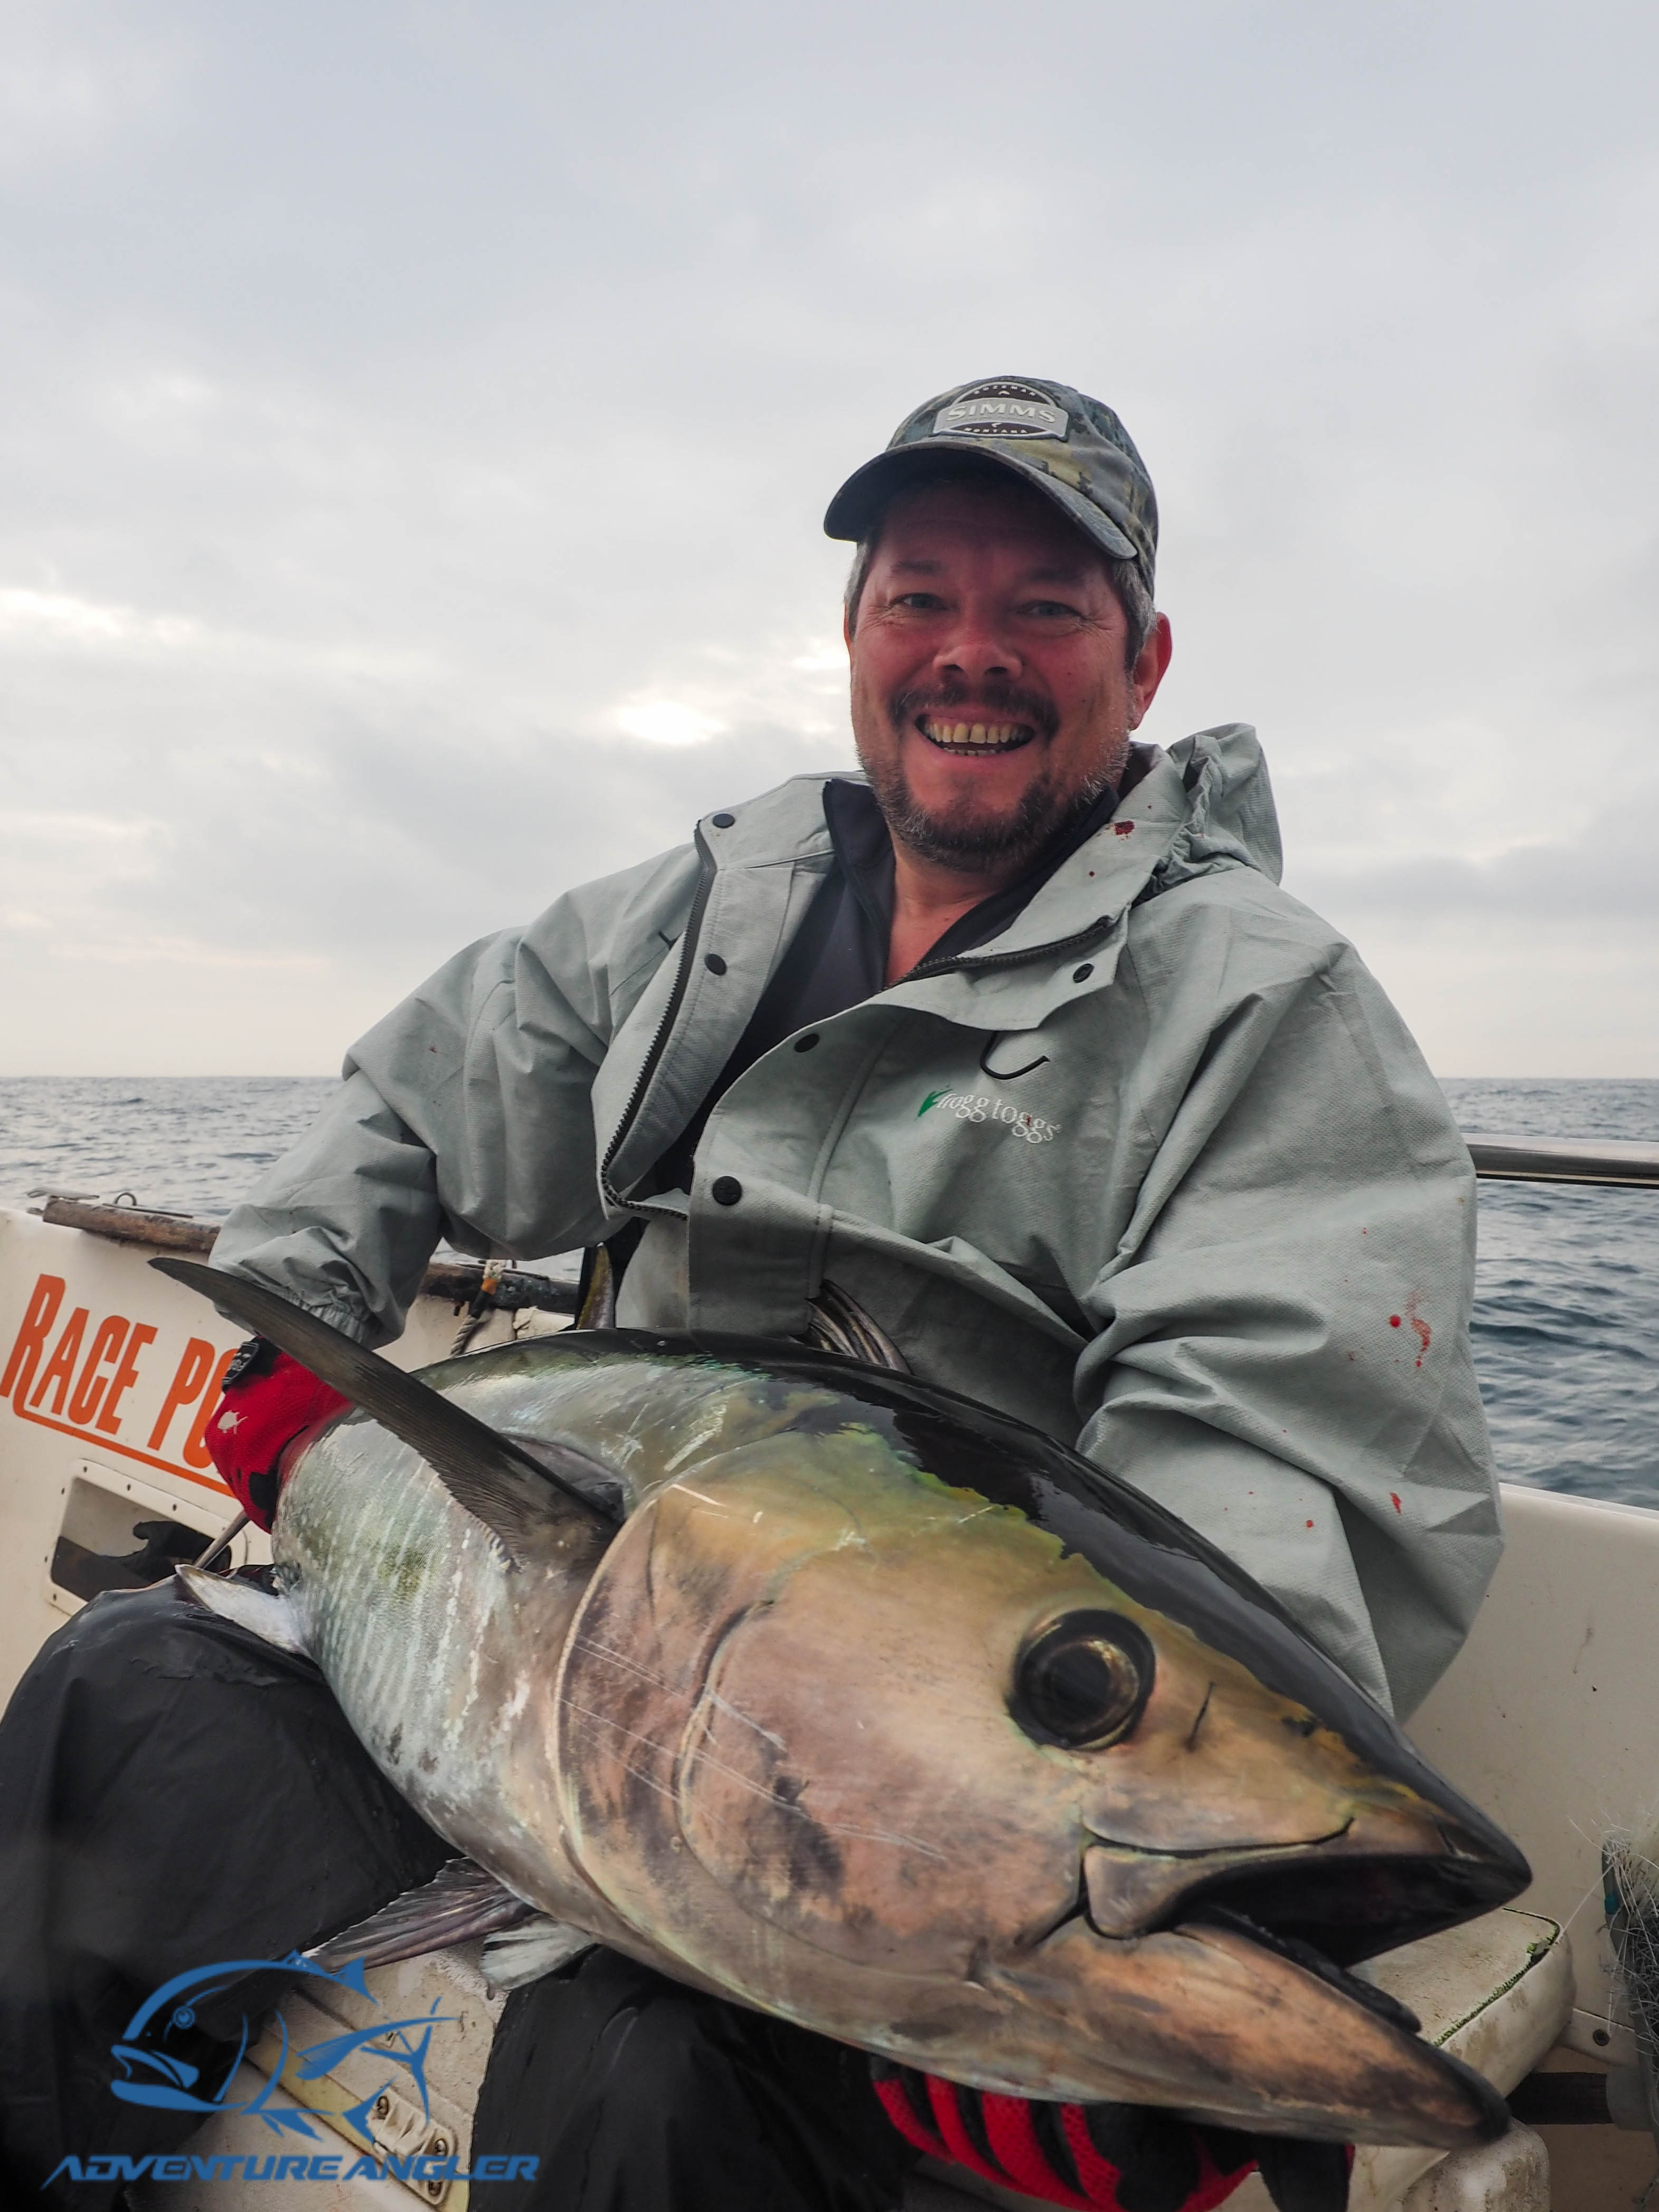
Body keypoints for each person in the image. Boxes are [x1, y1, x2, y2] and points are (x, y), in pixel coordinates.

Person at [0, 376, 1500, 2212]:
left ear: (1147, 657)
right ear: (855, 636)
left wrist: (1059, 1923)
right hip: (553, 1647)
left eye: (1046, 606)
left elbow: (1261, 1458)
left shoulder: (1258, 1007)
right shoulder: (714, 902)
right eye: (918, 596)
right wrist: (300, 1321)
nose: (972, 652)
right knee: (121, 1687)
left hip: (857, 1783)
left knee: (646, 2078)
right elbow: (416, 1096)